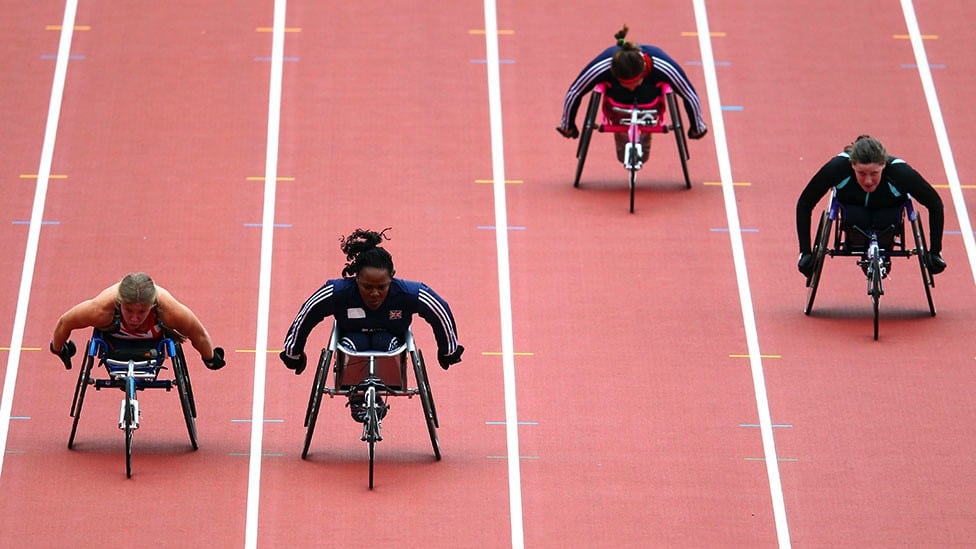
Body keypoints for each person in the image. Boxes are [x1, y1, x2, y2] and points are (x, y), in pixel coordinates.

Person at [279, 228, 464, 423]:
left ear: (391, 278)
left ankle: (377, 391)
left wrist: (448, 351)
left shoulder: (408, 293)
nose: (374, 293)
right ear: (356, 278)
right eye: (367, 287)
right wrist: (294, 353)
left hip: (391, 341)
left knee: (385, 343)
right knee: (353, 344)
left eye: (382, 287)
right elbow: (307, 313)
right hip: (351, 340)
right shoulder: (338, 292)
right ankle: (358, 394)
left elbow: (439, 309)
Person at [796, 135, 946, 277]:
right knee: (857, 217)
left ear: (884, 165)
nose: (868, 181)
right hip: (853, 216)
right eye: (861, 173)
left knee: (885, 219)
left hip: (888, 215)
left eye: (874, 173)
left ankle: (884, 253)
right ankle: (862, 250)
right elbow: (805, 203)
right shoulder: (837, 168)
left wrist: (935, 251)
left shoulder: (900, 173)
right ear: (852, 165)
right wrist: (805, 252)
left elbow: (935, 203)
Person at [557, 25, 708, 163]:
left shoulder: (662, 64)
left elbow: (689, 93)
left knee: (646, 99)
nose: (630, 88)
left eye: (633, 83)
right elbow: (575, 91)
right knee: (621, 100)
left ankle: (643, 138)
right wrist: (567, 125)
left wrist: (697, 127)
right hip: (616, 106)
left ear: (643, 72)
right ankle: (624, 136)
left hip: (650, 105)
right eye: (626, 84)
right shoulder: (604, 64)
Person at [50, 272, 226, 370]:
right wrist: (59, 349)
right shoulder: (101, 309)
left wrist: (210, 358)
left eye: (142, 311)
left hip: (153, 343)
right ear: (119, 303)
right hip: (113, 341)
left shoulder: (169, 311)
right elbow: (64, 322)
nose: (134, 318)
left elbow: (199, 334)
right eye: (129, 310)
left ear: (152, 305)